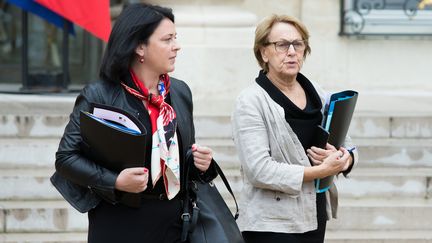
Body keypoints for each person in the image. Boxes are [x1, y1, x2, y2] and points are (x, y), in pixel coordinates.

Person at [50, 3, 216, 243]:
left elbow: (177, 158)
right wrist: (115, 181)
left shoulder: (179, 92)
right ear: (140, 47)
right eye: (167, 39)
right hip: (119, 221)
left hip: (175, 222)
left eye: (175, 38)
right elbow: (66, 158)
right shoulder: (99, 95)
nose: (176, 46)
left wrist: (201, 163)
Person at [231, 14, 359, 243]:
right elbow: (259, 170)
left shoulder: (318, 94)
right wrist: (320, 172)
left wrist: (344, 159)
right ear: (263, 52)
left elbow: (348, 145)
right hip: (270, 223)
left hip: (314, 213)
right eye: (281, 45)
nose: (291, 51)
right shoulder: (250, 101)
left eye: (298, 44)